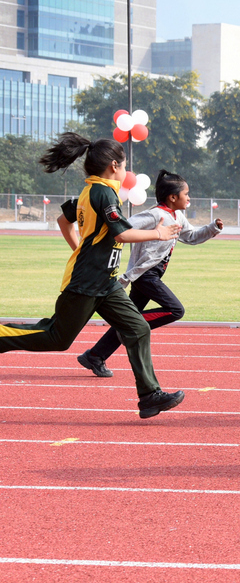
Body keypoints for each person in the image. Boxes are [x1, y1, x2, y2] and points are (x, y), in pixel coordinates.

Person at [0, 133, 184, 419]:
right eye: (124, 167)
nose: (126, 172)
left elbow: (64, 220)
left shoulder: (93, 191)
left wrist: (79, 248)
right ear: (113, 165)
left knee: (137, 329)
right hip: (86, 283)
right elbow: (121, 232)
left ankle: (150, 396)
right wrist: (158, 233)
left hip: (106, 283)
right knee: (56, 338)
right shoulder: (102, 192)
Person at [76, 169, 224, 376]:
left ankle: (95, 355)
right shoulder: (155, 215)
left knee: (127, 317)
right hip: (145, 274)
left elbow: (191, 236)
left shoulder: (177, 216)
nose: (189, 198)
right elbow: (123, 228)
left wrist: (212, 228)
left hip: (151, 275)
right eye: (186, 194)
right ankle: (128, 328)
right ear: (173, 197)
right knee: (175, 310)